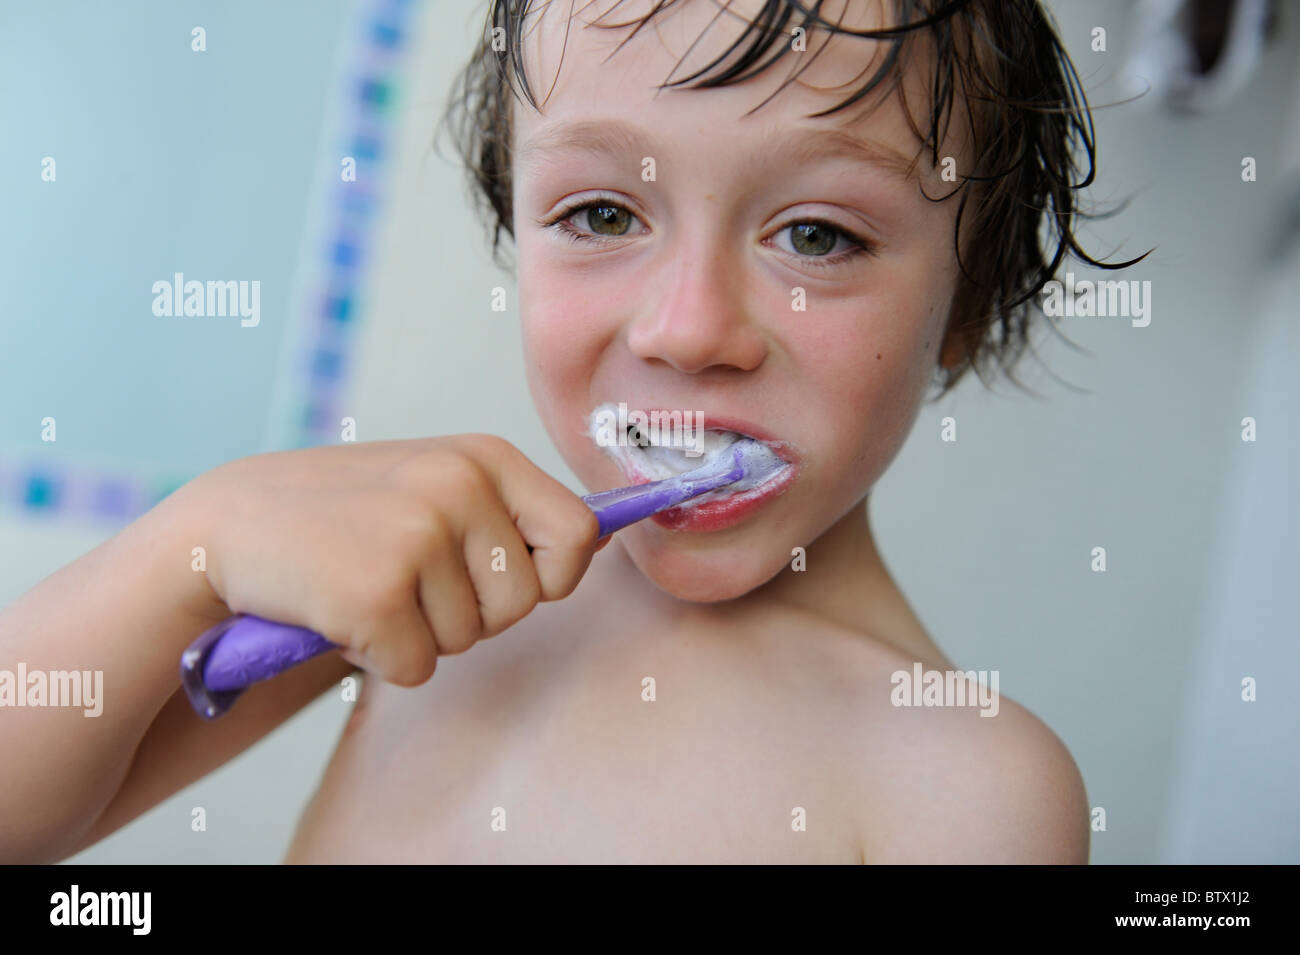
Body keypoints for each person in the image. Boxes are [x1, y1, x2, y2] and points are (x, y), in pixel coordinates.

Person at [0, 0, 1147, 863]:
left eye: (818, 237)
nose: (690, 328)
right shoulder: (425, 578)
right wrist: (185, 551)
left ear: (973, 302)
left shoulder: (966, 789)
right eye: (602, 214)